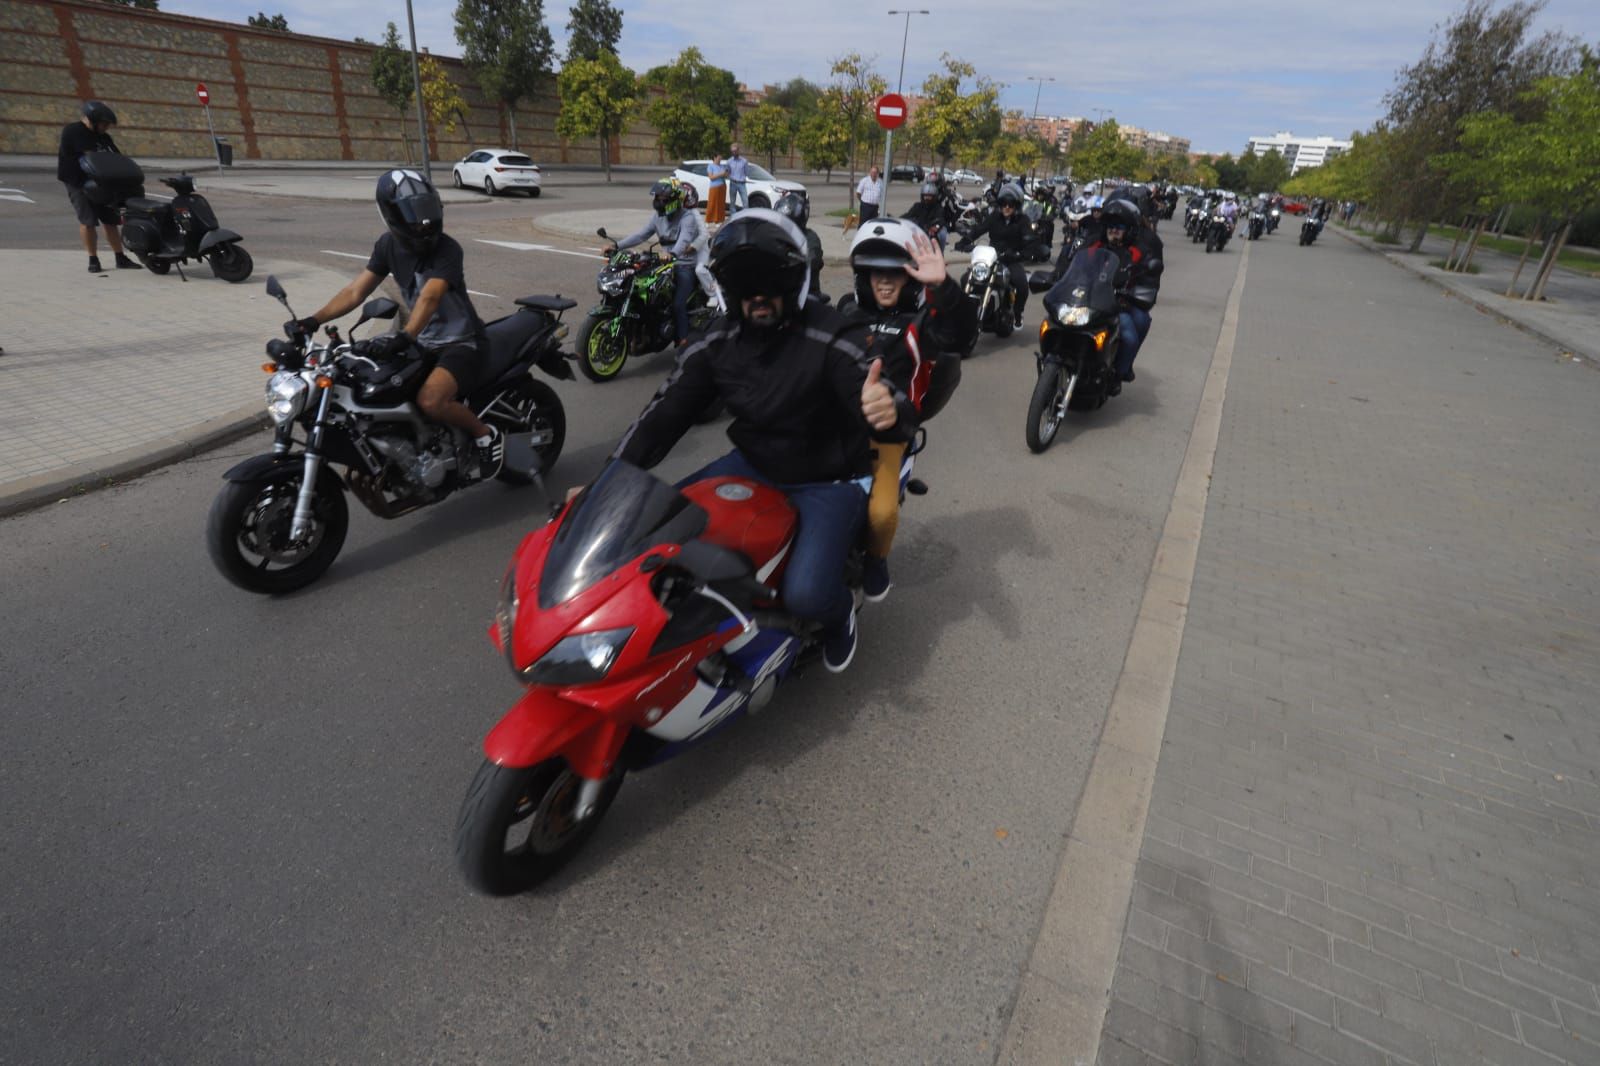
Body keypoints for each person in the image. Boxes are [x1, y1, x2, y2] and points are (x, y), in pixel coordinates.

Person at [607, 209, 918, 672]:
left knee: (809, 593)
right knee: (655, 532)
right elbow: (664, 413)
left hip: (828, 479)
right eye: (744, 283)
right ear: (729, 289)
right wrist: (609, 482)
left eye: (770, 281)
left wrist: (885, 406)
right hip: (751, 464)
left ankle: (839, 620)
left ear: (794, 281)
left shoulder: (831, 330)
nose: (758, 296)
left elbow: (873, 384)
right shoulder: (718, 339)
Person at [285, 169, 503, 478]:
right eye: (414, 214)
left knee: (430, 399)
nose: (423, 223)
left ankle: (484, 434)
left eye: (427, 211)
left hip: (463, 342)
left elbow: (431, 295)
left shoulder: (448, 248)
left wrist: (406, 335)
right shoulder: (388, 246)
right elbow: (356, 290)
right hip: (422, 343)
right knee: (379, 392)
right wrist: (312, 320)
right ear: (391, 214)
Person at [838, 217, 976, 601]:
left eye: (895, 274)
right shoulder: (846, 314)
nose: (884, 282)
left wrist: (945, 289)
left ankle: (877, 558)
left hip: (887, 434)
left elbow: (961, 336)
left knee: (881, 514)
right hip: (835, 428)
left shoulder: (921, 325)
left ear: (909, 279)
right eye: (875, 273)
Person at [605, 178, 712, 345]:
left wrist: (673, 253)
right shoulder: (657, 216)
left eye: (664, 199)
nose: (659, 202)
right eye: (657, 198)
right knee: (640, 290)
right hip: (662, 264)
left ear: (675, 200)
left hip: (683, 265)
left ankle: (683, 339)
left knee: (677, 304)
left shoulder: (688, 217)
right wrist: (616, 245)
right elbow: (641, 235)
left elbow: (684, 240)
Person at [1079, 198, 1162, 396]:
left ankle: (1117, 374)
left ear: (1128, 230)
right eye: (1111, 226)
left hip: (1117, 303)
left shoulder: (1137, 251)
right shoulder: (1093, 243)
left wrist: (1138, 290)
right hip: (1085, 299)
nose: (1114, 230)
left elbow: (1148, 274)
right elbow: (1072, 261)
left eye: (1119, 227)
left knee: (1130, 337)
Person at [58, 100, 140, 274]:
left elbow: (116, 158)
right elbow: (91, 159)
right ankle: (93, 259)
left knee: (110, 220)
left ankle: (120, 257)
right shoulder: (73, 131)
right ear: (92, 120)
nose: (106, 128)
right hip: (78, 182)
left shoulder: (104, 138)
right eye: (104, 124)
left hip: (103, 184)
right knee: (88, 221)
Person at [955, 183, 1031, 327]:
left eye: (1011, 204)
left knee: (1022, 285)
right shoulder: (994, 216)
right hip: (992, 258)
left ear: (1017, 205)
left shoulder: (1023, 220)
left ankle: (1017, 314)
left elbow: (1029, 239)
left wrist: (1023, 252)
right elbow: (979, 229)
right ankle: (967, 310)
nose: (1006, 207)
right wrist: (964, 241)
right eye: (1003, 203)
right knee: (966, 279)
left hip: (1011, 259)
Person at [775, 192, 825, 301]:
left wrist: (788, 262)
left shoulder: (810, 237)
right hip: (780, 291)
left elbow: (813, 260)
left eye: (788, 221)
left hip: (807, 292)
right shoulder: (776, 236)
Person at [902, 180, 949, 249]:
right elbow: (908, 215)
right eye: (925, 196)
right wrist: (897, 219)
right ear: (922, 196)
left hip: (932, 231)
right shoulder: (917, 206)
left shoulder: (938, 208)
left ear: (934, 196)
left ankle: (940, 254)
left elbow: (941, 220)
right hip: (919, 229)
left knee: (942, 234)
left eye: (929, 196)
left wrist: (935, 227)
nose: (927, 198)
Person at [705, 153, 728, 226]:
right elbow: (711, 177)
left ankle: (718, 220)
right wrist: (721, 174)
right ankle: (708, 220)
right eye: (719, 158)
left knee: (721, 204)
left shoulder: (722, 166)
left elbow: (725, 175)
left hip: (722, 186)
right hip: (714, 187)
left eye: (721, 158)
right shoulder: (710, 166)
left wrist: (726, 174)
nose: (720, 159)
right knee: (712, 204)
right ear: (714, 158)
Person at [726, 144, 750, 213]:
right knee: (732, 202)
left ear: (738, 151)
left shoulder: (744, 161)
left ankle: (745, 216)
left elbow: (746, 172)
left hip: (742, 184)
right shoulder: (729, 161)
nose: (734, 153)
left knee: (745, 201)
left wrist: (742, 178)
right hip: (733, 183)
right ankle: (733, 217)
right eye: (732, 151)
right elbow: (728, 171)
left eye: (735, 151)